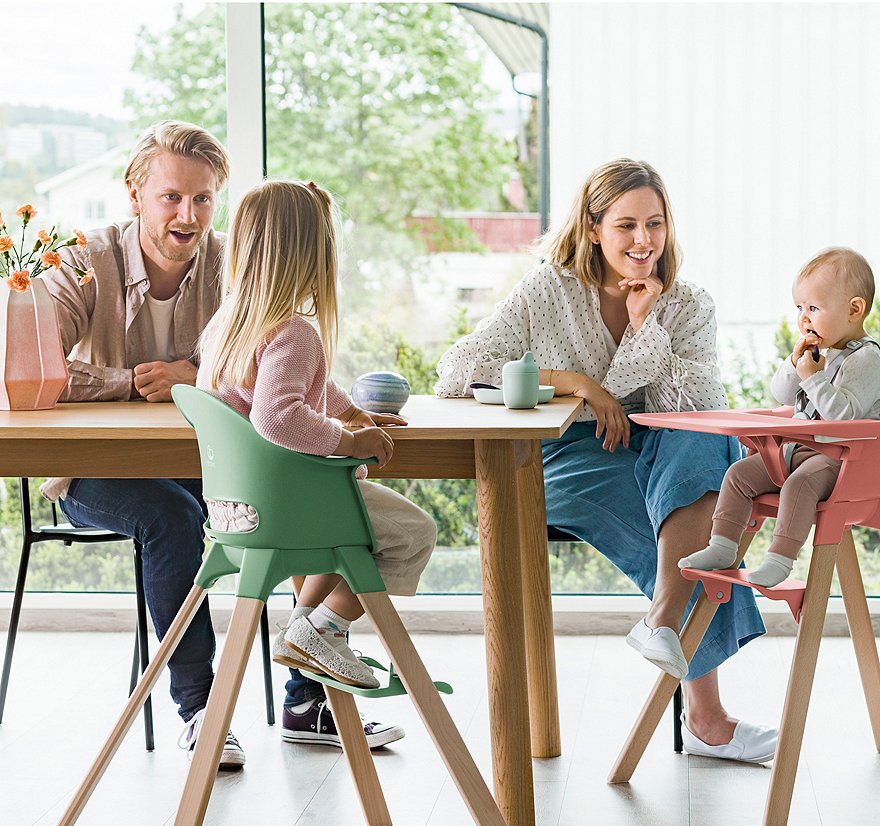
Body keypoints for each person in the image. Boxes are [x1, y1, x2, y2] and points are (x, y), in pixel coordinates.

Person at [42, 121, 407, 767]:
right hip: (100, 472)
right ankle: (201, 710)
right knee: (171, 517)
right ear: (134, 195)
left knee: (298, 497)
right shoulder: (84, 260)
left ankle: (306, 699)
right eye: (172, 198)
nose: (189, 215)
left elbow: (278, 365)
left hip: (211, 466)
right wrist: (131, 381)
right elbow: (34, 367)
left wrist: (342, 407)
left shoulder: (231, 264)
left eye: (204, 199)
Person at [436, 157, 777, 764]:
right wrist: (579, 385)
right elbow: (458, 369)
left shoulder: (689, 304)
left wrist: (647, 326)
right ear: (594, 228)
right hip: (571, 453)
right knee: (694, 522)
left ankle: (665, 617)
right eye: (626, 226)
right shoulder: (549, 289)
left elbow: (698, 407)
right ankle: (706, 718)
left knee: (703, 447)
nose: (643, 241)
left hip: (665, 448)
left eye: (655, 224)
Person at [196, 178, 437, 693]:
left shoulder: (226, 327)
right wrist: (350, 443)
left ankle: (306, 628)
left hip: (236, 511)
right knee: (413, 534)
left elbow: (303, 387)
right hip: (292, 510)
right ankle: (321, 626)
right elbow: (278, 416)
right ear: (312, 258)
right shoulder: (294, 332)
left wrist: (349, 413)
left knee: (366, 527)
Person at [681, 247, 880, 590]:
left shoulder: (867, 359)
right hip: (799, 451)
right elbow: (783, 395)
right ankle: (722, 545)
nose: (804, 318)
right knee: (740, 474)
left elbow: (842, 416)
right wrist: (795, 364)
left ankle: (780, 558)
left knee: (799, 485)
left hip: (844, 460)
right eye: (800, 308)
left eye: (814, 308)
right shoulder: (821, 354)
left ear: (854, 309)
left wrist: (814, 378)